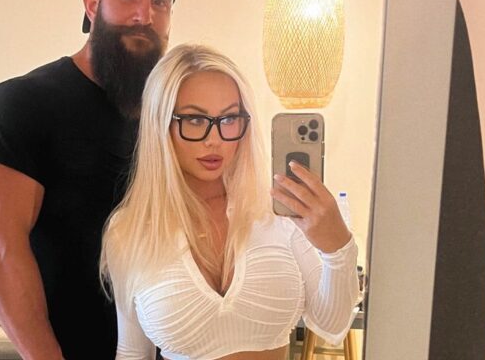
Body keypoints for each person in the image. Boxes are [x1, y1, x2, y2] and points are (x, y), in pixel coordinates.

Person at [0, 0, 179, 360]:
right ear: (92, 3)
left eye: (161, 2)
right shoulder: (26, 101)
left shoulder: (168, 114)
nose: (144, 15)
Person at [100, 44, 360, 359]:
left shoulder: (279, 213)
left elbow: (333, 325)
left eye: (229, 119)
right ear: (161, 125)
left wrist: (337, 247)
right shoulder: (129, 230)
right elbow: (132, 351)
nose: (215, 139)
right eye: (194, 120)